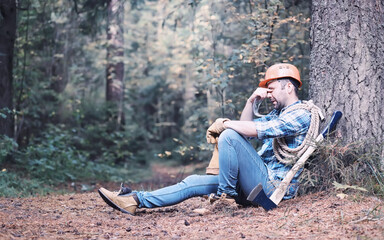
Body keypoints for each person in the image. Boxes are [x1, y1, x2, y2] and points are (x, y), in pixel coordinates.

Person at [98, 63, 320, 215]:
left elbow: (252, 131)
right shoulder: (277, 113)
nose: (268, 95)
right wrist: (250, 102)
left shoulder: (301, 113)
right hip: (254, 183)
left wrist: (226, 124)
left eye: (271, 90)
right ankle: (134, 200)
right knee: (192, 182)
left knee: (229, 134)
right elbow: (246, 131)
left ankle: (224, 198)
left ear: (288, 86)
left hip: (272, 189)